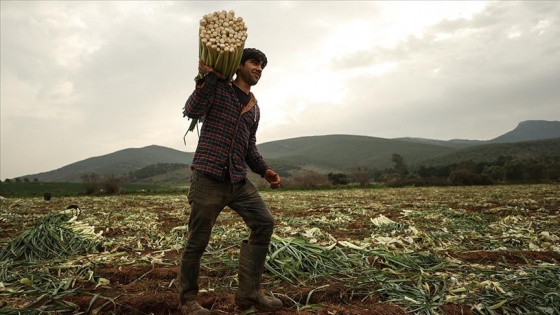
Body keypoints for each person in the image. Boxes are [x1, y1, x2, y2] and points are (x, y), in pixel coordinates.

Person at [179, 48, 283, 315]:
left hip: (237, 179)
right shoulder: (218, 90)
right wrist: (208, 78)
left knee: (264, 222)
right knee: (197, 240)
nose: (259, 68)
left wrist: (265, 170)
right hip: (208, 177)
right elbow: (192, 109)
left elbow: (249, 147)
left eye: (262, 66)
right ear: (238, 65)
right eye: (254, 63)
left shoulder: (254, 107)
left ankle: (249, 293)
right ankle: (188, 301)